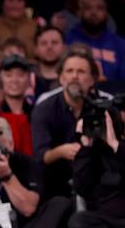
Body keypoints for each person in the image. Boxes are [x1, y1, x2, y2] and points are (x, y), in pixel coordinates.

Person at [31, 50, 101, 199]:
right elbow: (39, 157)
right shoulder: (44, 109)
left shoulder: (102, 108)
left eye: (81, 71)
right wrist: (60, 152)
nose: (75, 76)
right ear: (61, 78)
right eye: (69, 71)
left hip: (96, 182)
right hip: (56, 185)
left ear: (92, 80)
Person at [68, 109, 125, 228]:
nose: (99, 127)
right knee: (78, 222)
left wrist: (114, 144)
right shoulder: (88, 154)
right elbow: (80, 188)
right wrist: (86, 146)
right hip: (103, 222)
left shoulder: (122, 149)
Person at [66, 0, 125, 81]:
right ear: (81, 12)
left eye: (99, 8)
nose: (93, 12)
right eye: (88, 8)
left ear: (107, 14)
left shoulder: (120, 45)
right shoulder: (69, 40)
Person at [33, 26, 66, 98]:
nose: (49, 47)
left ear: (64, 47)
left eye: (54, 42)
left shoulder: (71, 77)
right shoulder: (27, 76)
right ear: (35, 49)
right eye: (44, 43)